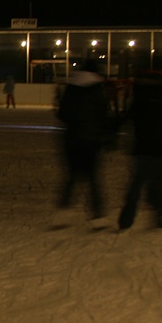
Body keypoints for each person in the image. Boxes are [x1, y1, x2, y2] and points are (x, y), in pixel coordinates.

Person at [118, 65, 162, 230]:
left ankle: (126, 218)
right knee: (161, 180)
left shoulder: (142, 91)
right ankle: (159, 214)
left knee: (138, 181)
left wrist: (115, 129)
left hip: (144, 144)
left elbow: (130, 114)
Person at [55, 59, 112, 220]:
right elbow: (103, 116)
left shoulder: (71, 88)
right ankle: (98, 215)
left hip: (71, 139)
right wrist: (107, 137)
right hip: (90, 140)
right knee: (93, 177)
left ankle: (62, 212)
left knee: (72, 175)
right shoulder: (97, 90)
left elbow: (62, 114)